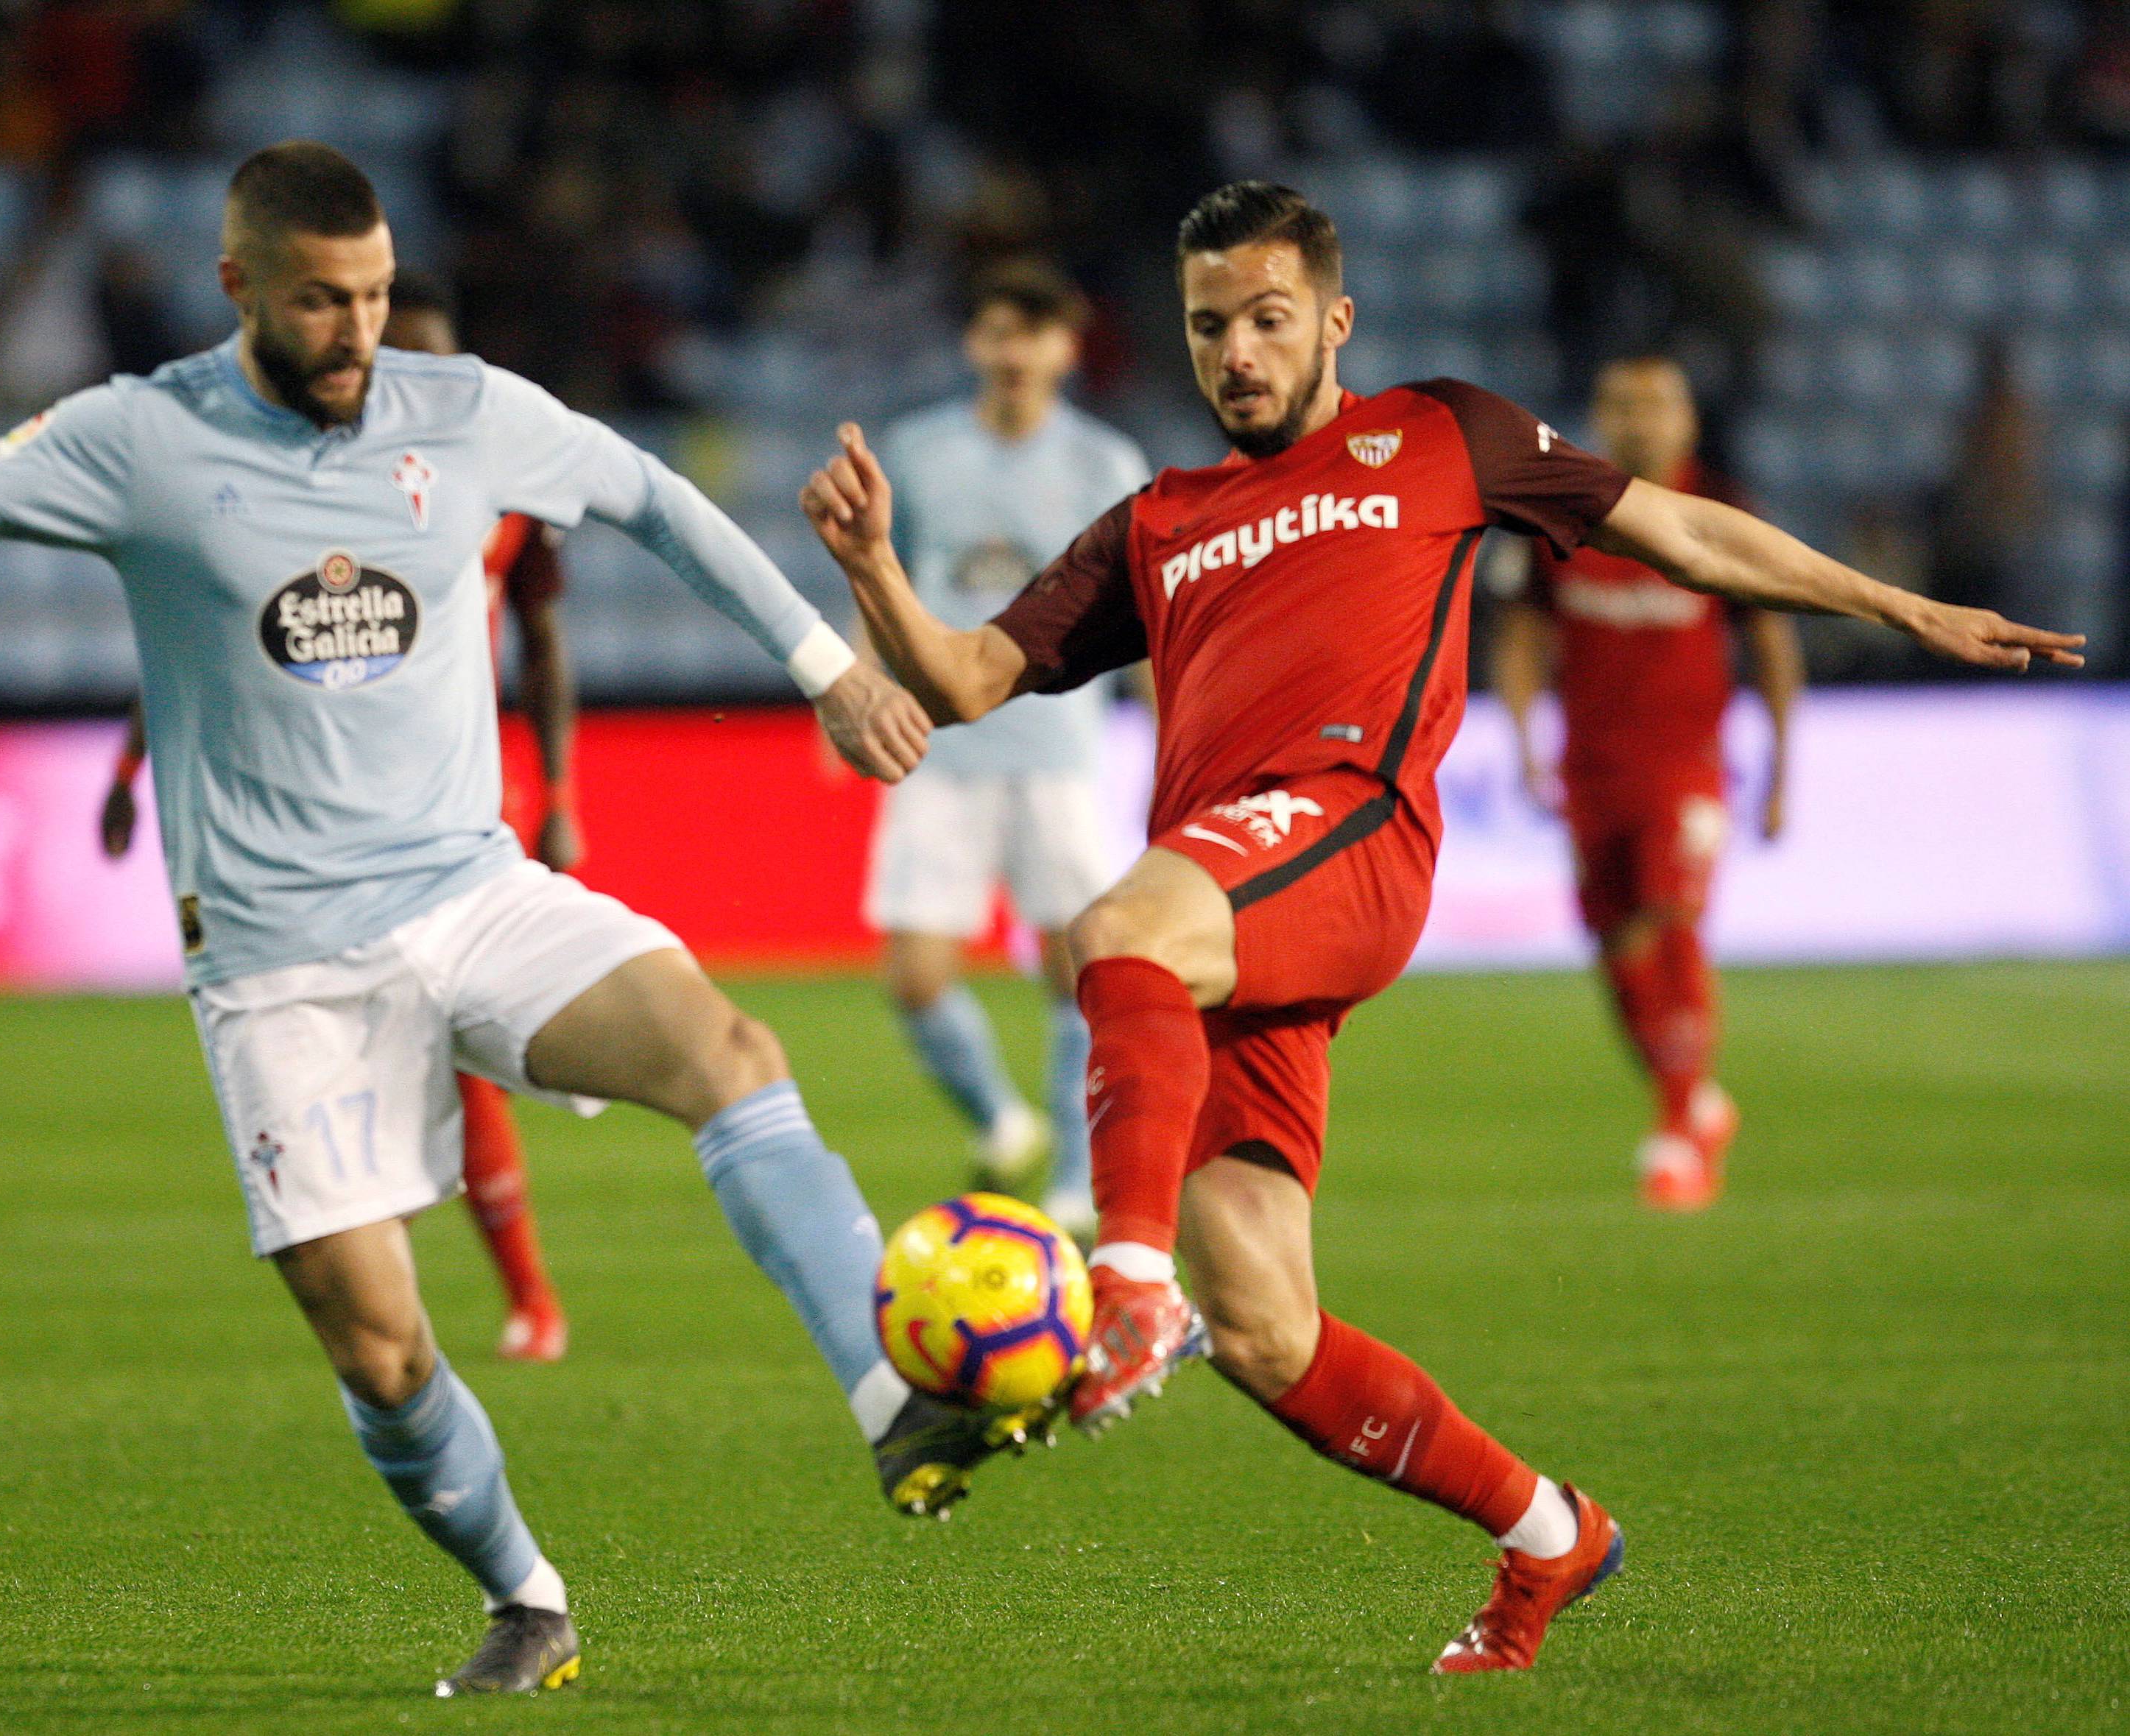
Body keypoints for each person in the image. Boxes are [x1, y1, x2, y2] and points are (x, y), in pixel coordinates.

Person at [803, 180, 2080, 1675]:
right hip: (1235, 899)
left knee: (1113, 935)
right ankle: (1547, 1532)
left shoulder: (1437, 437)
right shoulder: (1156, 522)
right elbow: (962, 679)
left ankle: (1124, 1288)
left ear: (1334, 320)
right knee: (1267, 1325)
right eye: (1211, 325)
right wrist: (873, 571)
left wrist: (1895, 607)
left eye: (1268, 319)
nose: (1238, 351)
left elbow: (1671, 531)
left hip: (1344, 827)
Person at [0, 141, 967, 1700]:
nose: (357, 330)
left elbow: (652, 498)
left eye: (370, 294)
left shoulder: (462, 406)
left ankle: (894, 1401)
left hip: (470, 887)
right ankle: (526, 1596)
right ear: (237, 288)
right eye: (318, 301)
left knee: (728, 1047)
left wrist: (826, 671)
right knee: (378, 1348)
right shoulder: (138, 435)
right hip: (282, 961)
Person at [97, 267, 580, 1361]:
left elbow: (546, 647)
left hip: (448, 804)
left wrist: (565, 797)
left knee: (455, 1045)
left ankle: (529, 1296)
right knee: (351, 1050)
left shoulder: (500, 495)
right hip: (306, 809)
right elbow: (201, 641)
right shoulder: (281, 493)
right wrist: (129, 767)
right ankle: (397, 1294)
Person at [866, 259, 1150, 1237]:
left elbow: (1143, 609)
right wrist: (861, 686)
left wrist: (1168, 723)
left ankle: (1076, 1174)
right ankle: (1003, 1117)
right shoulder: (919, 450)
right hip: (942, 746)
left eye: (1033, 333)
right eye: (997, 332)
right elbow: (880, 576)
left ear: (1067, 349)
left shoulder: (1107, 465)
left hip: (1058, 746)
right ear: (973, 346)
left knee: (1078, 969)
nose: (1013, 352)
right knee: (913, 975)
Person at [1492, 356, 1805, 1210]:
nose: (1640, 420)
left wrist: (1781, 769)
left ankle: (1675, 1134)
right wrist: (1522, 741)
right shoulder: (1563, 516)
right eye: (1622, 405)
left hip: (1689, 769)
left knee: (1673, 924)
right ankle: (1696, 1100)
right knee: (1620, 953)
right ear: (1598, 417)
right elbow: (1522, 638)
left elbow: (1772, 646)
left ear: (1688, 423)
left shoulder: (1725, 514)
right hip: (1592, 774)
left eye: (1658, 404)